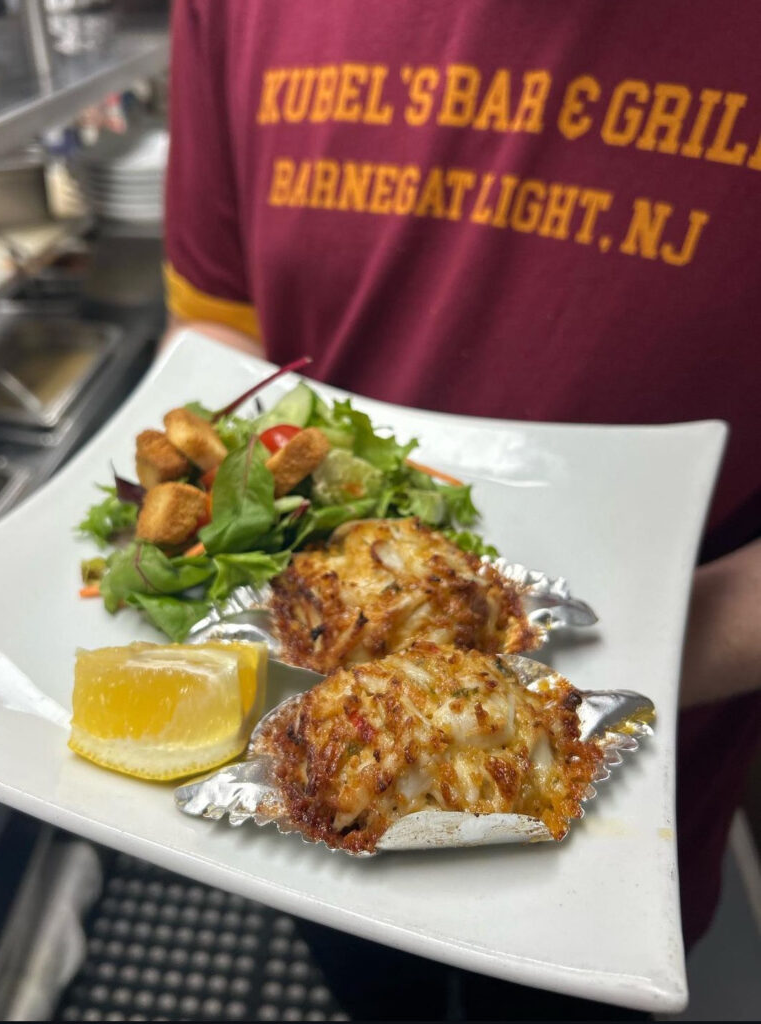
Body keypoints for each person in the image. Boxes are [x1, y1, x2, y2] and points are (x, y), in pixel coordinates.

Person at [161, 0, 761, 1016]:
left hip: (627, 793)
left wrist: (606, 674)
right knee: (372, 988)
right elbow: (220, 332)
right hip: (317, 739)